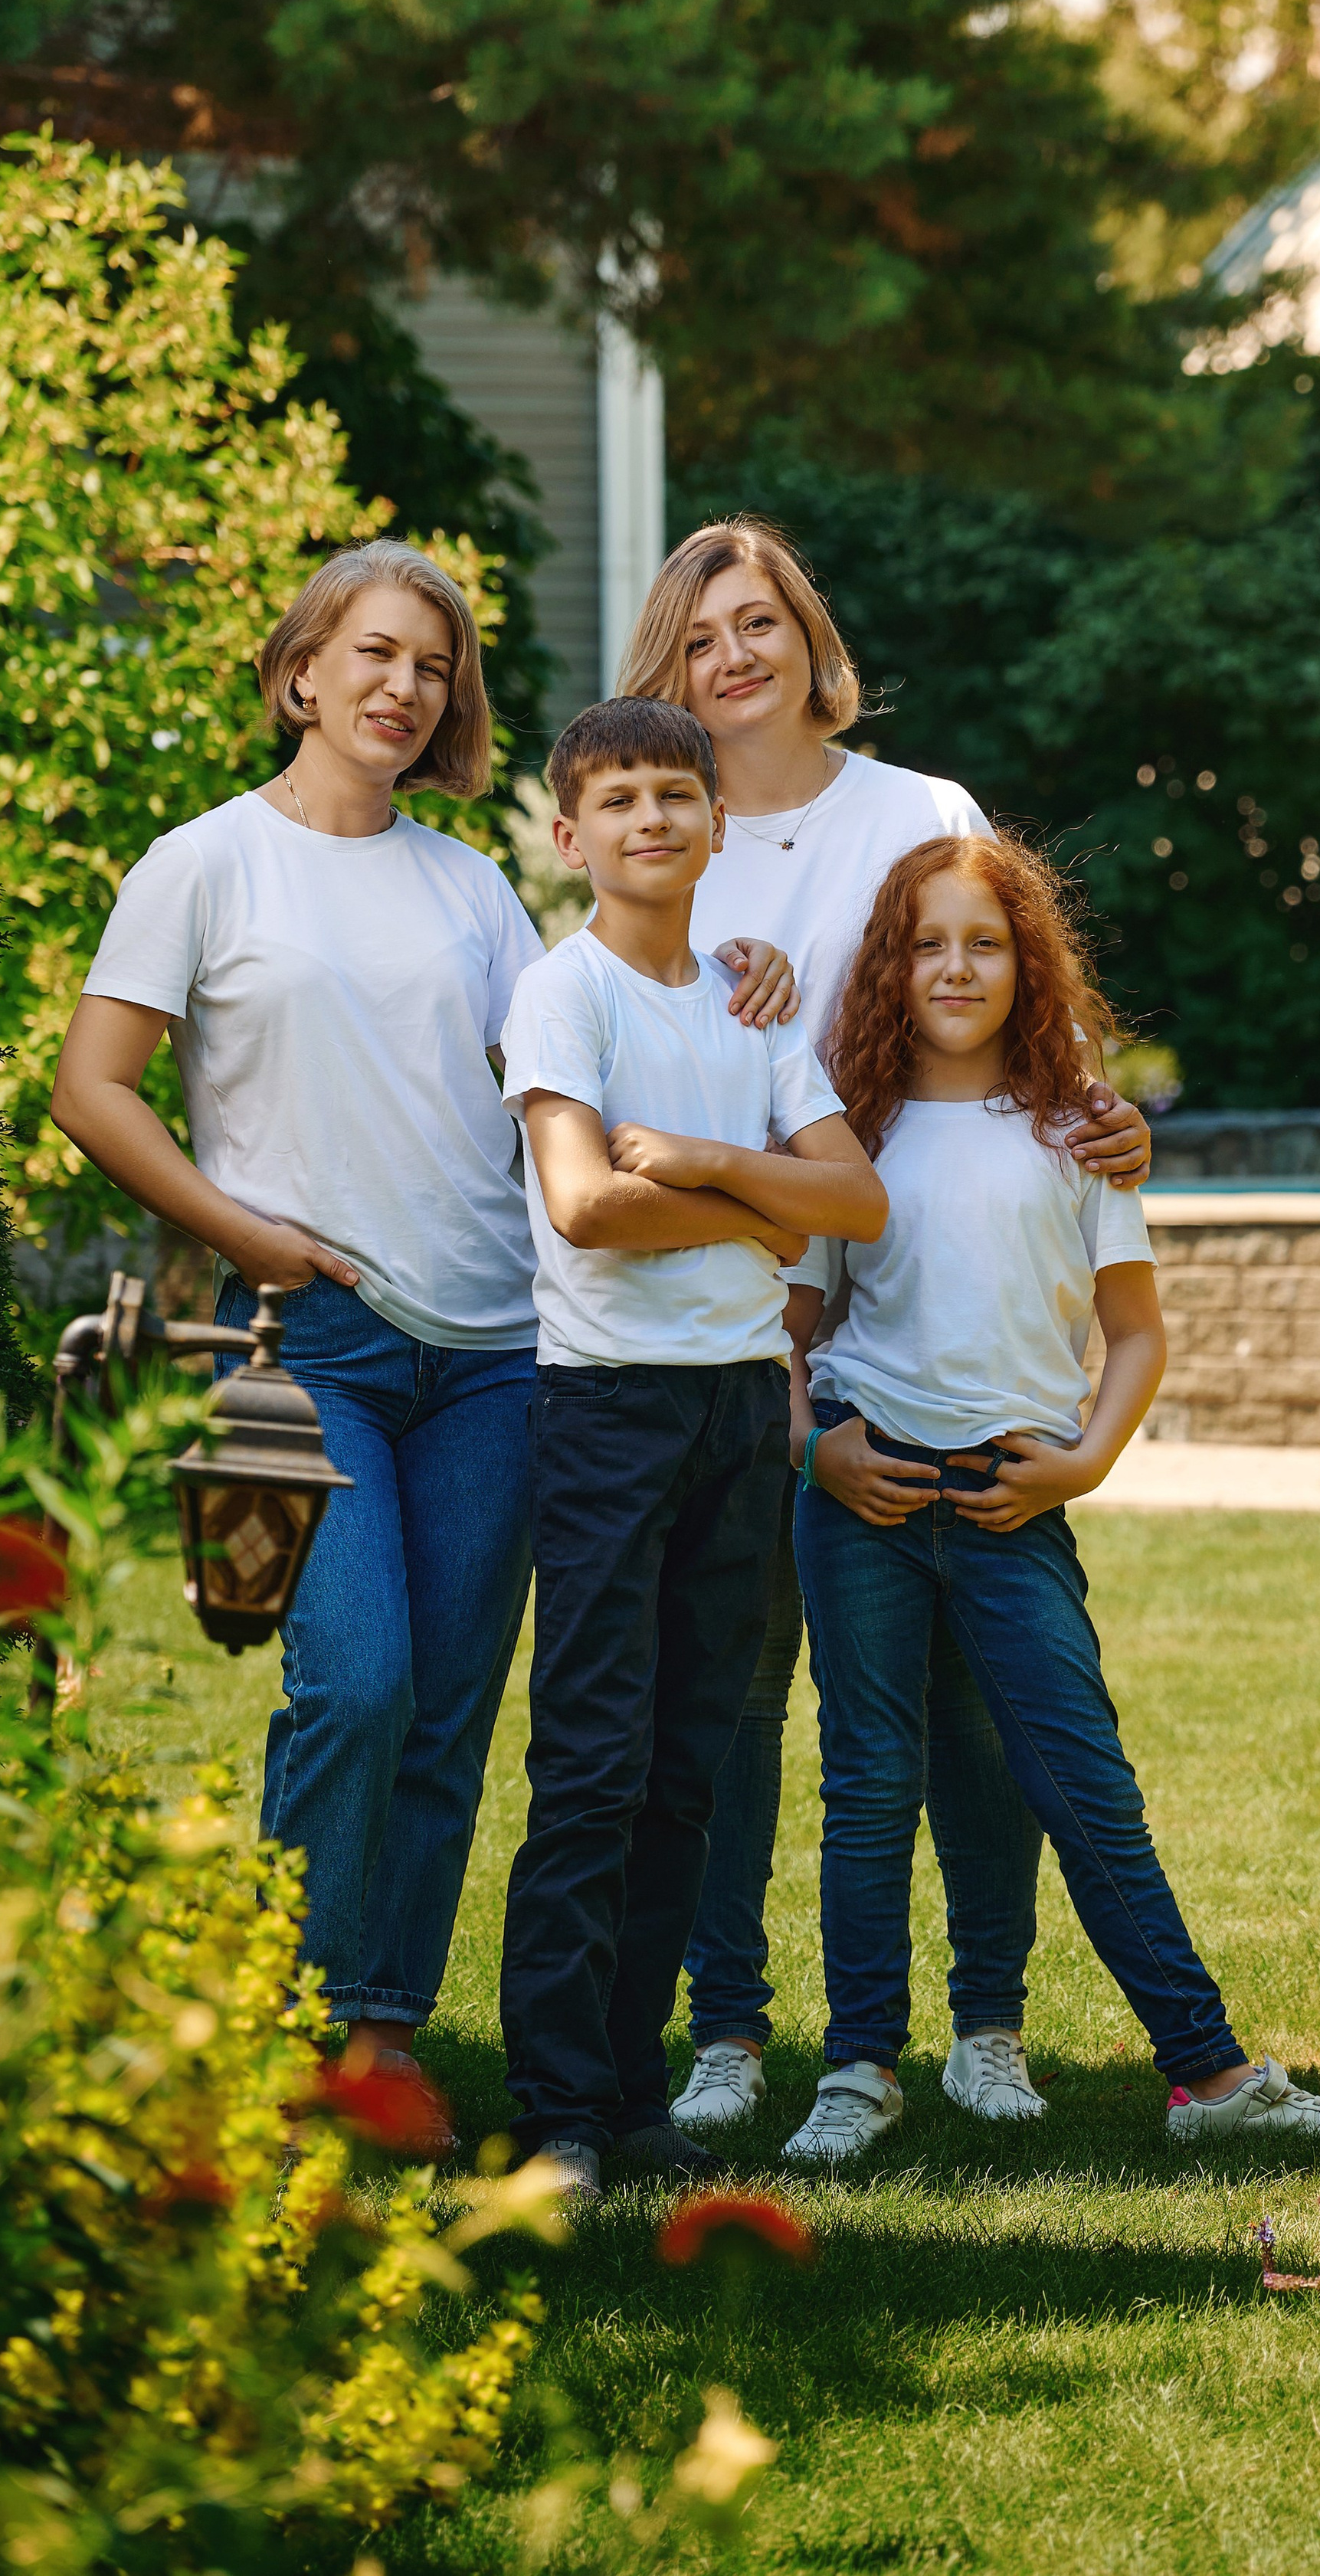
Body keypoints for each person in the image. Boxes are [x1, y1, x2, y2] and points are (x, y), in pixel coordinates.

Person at [49, 544, 798, 2118]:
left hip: (498, 1356)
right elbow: (92, 1088)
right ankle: (280, 2018)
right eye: (374, 654)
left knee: (454, 1702)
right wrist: (244, 1232)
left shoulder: (468, 886)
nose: (404, 687)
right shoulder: (201, 866)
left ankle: (383, 2029)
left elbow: (583, 1043)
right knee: (360, 1681)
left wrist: (730, 964)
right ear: (299, 669)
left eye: (434, 667)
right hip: (311, 1336)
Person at [616, 516, 1155, 2136]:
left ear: (807, 638)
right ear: (669, 665)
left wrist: (1103, 1119)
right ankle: (728, 2032)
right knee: (729, 1696)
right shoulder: (654, 827)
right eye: (701, 634)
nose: (734, 656)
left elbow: (1012, 991)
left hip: (926, 1331)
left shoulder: (917, 811)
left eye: (760, 621)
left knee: (972, 1708)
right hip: (727, 1322)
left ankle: (982, 2027)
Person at [779, 831, 1320, 2162]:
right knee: (871, 1785)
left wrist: (1087, 1459)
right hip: (865, 1495)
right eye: (928, 942)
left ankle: (1213, 2079)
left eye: (985, 943)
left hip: (1016, 1498)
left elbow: (1136, 1335)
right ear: (893, 962)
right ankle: (858, 2070)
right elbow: (794, 1326)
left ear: (1026, 964)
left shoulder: (1078, 1134)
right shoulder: (849, 1131)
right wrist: (812, 1450)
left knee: (1082, 1782)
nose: (956, 966)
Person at [497, 695, 888, 2200]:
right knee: (589, 1763)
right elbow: (585, 1203)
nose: (652, 818)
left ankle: (631, 2094)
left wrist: (729, 1175)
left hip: (739, 1411)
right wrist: (765, 1207)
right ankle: (552, 2113)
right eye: (620, 799)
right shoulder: (564, 992)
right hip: (608, 1410)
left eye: (678, 794)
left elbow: (853, 1202)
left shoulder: (754, 1004)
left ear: (719, 824)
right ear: (569, 833)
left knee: (686, 1772)